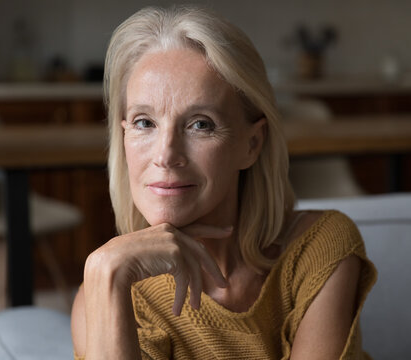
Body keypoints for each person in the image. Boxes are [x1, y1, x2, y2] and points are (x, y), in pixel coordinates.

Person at [71, 5, 376, 360]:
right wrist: (104, 272)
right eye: (144, 122)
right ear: (122, 137)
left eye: (201, 124)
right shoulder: (109, 294)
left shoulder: (318, 251)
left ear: (251, 144)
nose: (166, 155)